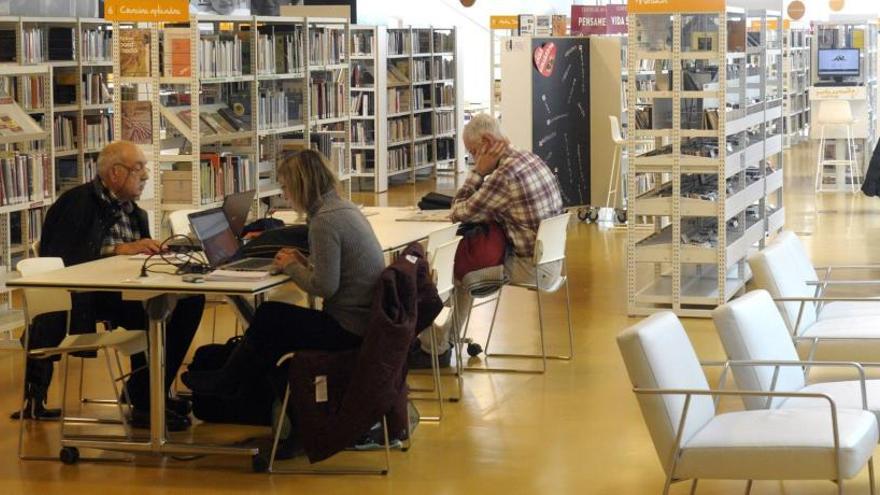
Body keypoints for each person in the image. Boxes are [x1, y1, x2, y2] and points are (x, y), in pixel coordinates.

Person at [24, 141, 205, 431]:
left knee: (189, 301)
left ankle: (148, 392)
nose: (145, 175)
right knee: (156, 311)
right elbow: (65, 259)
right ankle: (145, 400)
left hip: (125, 287)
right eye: (139, 169)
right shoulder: (77, 203)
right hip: (86, 297)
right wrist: (121, 249)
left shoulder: (131, 209)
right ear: (115, 173)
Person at [181, 149, 386, 396]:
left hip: (347, 329)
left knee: (270, 316)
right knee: (273, 325)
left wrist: (290, 266)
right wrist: (303, 262)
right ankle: (242, 386)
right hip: (367, 324)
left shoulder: (324, 222)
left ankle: (229, 383)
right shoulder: (344, 208)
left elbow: (325, 287)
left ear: (301, 186)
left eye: (286, 187)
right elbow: (336, 270)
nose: (284, 194)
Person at [409, 113, 564, 368]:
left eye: (473, 152)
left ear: (487, 142)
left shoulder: (505, 176)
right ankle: (442, 342)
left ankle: (433, 348)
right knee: (465, 263)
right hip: (551, 260)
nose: (472, 159)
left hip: (531, 268)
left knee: (456, 269)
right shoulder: (529, 157)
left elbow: (458, 211)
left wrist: (477, 173)